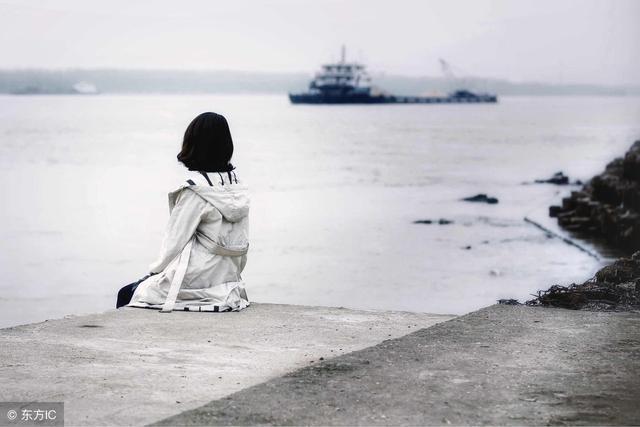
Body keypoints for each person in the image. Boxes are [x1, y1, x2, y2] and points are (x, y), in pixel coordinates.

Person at [116, 112, 250, 313]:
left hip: (197, 278)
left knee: (127, 293)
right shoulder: (238, 187)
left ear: (193, 144)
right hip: (227, 278)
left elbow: (174, 243)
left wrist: (153, 273)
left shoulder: (195, 190)